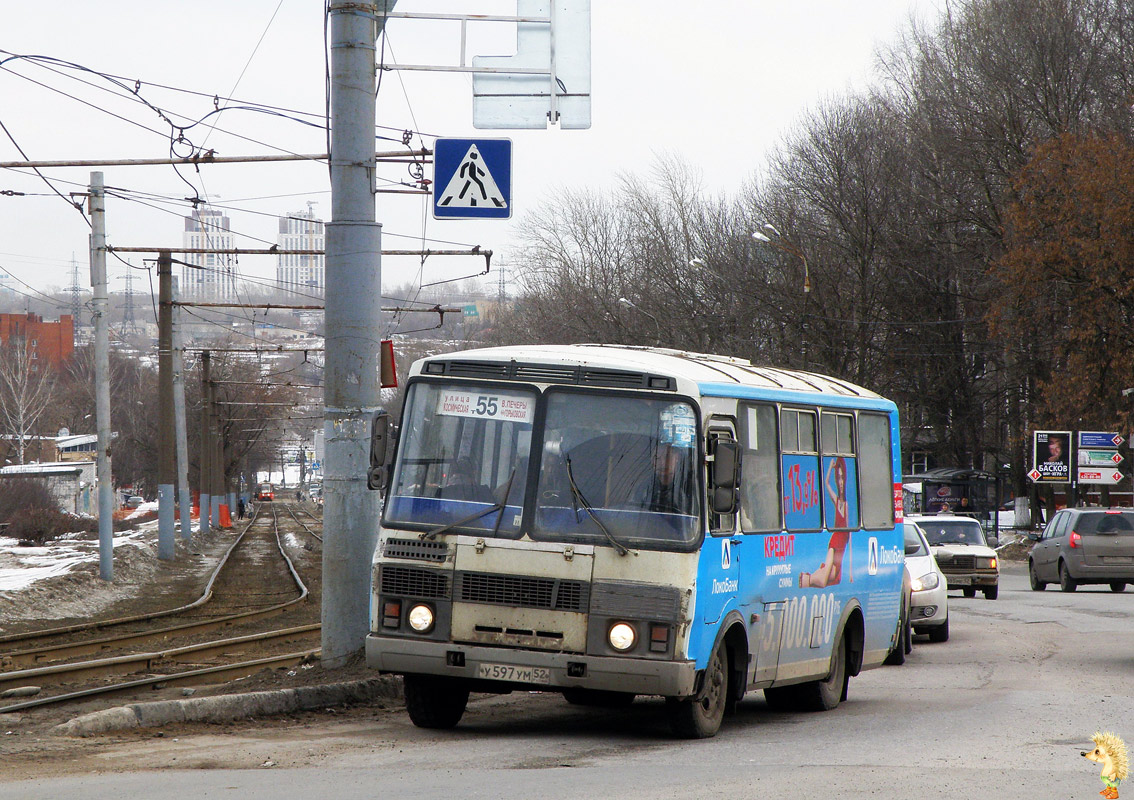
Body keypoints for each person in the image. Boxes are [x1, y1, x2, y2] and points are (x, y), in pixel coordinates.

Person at [801, 457, 852, 588]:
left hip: (841, 548)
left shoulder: (846, 506)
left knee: (830, 577)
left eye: (842, 478)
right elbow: (827, 483)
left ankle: (805, 578)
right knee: (823, 581)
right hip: (834, 543)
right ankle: (805, 579)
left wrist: (850, 571)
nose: (840, 482)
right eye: (838, 478)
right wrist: (830, 467)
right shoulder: (836, 501)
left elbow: (849, 536)